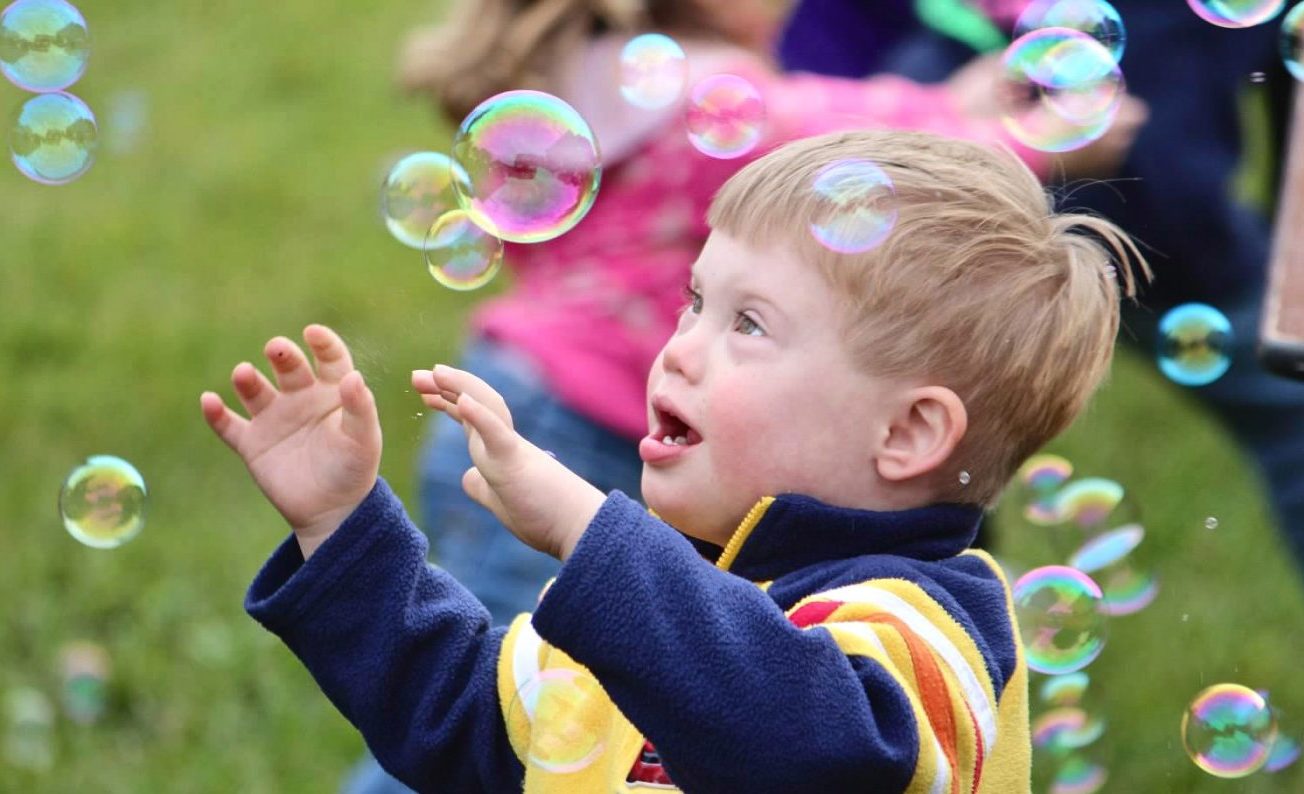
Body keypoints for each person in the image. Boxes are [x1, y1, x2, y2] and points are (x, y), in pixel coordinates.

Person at [200, 128, 1150, 792]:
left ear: (904, 435)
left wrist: (585, 529)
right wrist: (342, 527)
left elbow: (805, 744)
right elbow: (461, 725)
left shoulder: (926, 634)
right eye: (696, 300)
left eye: (748, 324)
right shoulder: (663, 599)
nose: (682, 344)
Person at [778, 0, 1304, 571]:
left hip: (1156, 223)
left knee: (914, 445)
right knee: (914, 454)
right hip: (1002, 215)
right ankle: (931, 612)